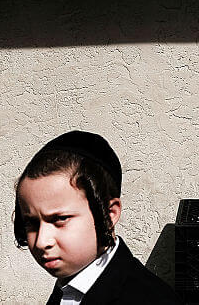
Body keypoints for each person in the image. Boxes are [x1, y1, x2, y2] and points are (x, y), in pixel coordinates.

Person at [13, 130, 182, 305]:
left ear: (109, 215)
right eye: (31, 223)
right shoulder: (69, 285)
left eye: (60, 219)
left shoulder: (150, 299)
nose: (41, 241)